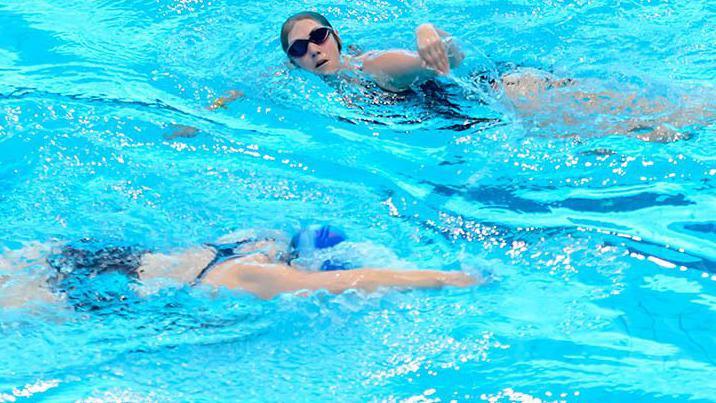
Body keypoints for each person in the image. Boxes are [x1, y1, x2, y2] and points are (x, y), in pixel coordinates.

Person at [0, 225, 477, 309]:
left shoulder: (250, 244)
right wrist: (448, 278)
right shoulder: (259, 275)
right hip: (96, 294)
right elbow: (361, 281)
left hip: (97, 258)